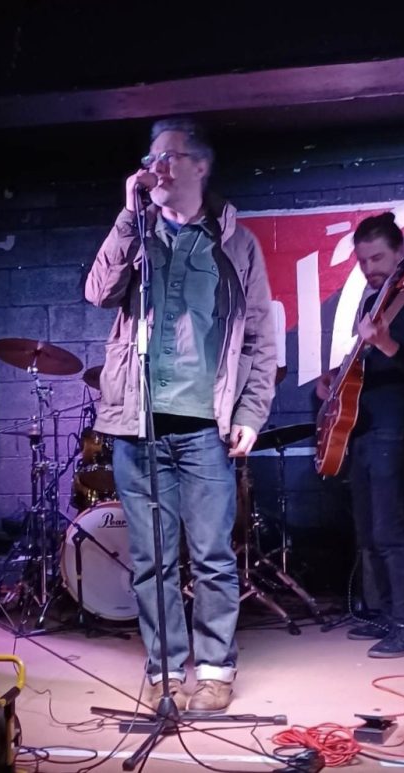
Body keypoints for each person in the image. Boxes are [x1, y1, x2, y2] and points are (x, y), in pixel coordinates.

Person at [85, 116, 276, 714]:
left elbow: (261, 338)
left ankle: (215, 669)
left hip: (204, 428)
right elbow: (96, 292)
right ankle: (165, 667)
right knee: (151, 559)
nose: (156, 167)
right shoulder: (136, 235)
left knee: (214, 556)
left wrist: (252, 409)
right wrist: (127, 214)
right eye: (151, 158)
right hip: (136, 426)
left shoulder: (236, 244)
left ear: (200, 165)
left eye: (169, 157)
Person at [316, 213, 404, 658]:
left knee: (391, 531)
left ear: (400, 253)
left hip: (397, 428)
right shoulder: (372, 302)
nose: (370, 267)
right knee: (369, 533)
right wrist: (335, 379)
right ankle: (390, 616)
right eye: (362, 260)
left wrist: (384, 342)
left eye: (377, 257)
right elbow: (369, 367)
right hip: (363, 428)